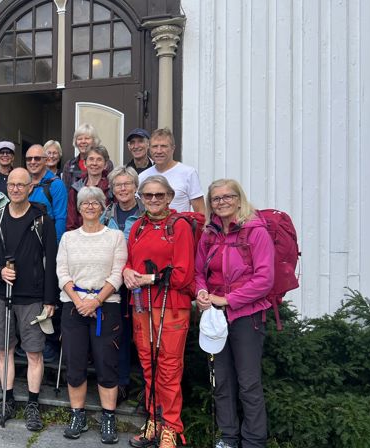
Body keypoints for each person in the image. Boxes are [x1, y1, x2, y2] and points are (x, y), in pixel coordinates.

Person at [195, 179, 275, 448]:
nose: (222, 202)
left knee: (248, 383)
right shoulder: (209, 233)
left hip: (247, 317)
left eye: (228, 196)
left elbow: (265, 279)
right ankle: (228, 438)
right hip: (215, 316)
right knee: (221, 380)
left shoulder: (256, 231)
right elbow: (198, 272)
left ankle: (253, 442)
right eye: (216, 199)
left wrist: (228, 300)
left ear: (239, 199)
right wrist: (202, 292)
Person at [0, 167, 59, 431]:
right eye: (11, 184)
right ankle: (7, 400)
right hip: (2, 295)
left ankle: (33, 404)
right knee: (5, 350)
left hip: (33, 298)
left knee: (34, 352)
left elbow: (51, 262)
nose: (15, 189)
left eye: (21, 185)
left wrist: (50, 300)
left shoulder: (42, 221)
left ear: (30, 188)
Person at [123, 175, 195, 448]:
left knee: (169, 367)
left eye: (159, 195)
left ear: (169, 197)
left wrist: (149, 279)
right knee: (148, 364)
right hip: (142, 304)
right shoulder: (138, 226)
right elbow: (129, 261)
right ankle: (154, 419)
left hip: (171, 305)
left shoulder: (179, 226)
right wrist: (127, 272)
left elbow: (184, 273)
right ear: (141, 198)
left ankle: (171, 428)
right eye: (148, 195)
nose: (153, 200)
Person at [56, 186, 127, 444]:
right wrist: (80, 302)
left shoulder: (115, 237)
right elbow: (62, 273)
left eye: (95, 202)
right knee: (74, 363)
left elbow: (118, 274)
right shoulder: (68, 238)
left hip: (106, 307)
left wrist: (96, 301)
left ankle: (108, 417)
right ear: (79, 208)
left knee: (106, 362)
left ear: (102, 207)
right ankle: (78, 415)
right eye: (85, 203)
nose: (90, 206)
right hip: (73, 306)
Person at [102, 166, 144, 404]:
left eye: (127, 184)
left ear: (136, 186)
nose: (123, 188)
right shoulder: (106, 214)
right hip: (114, 284)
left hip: (140, 282)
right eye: (118, 185)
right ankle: (121, 383)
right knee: (118, 334)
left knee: (142, 336)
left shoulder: (146, 212)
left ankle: (148, 388)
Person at [138, 128, 204, 213]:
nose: (159, 151)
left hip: (180, 221)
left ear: (173, 148)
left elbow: (200, 212)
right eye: (155, 146)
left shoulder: (188, 173)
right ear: (149, 149)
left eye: (163, 146)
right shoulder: (142, 177)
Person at [26, 144, 68, 241]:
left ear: (46, 160)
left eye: (37, 158)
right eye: (29, 159)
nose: (32, 162)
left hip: (46, 242)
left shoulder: (56, 185)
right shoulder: (23, 183)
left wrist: (55, 246)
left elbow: (61, 219)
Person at [66, 146, 111, 231]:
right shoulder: (76, 189)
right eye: (91, 159)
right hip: (81, 236)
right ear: (84, 163)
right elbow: (71, 222)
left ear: (105, 165)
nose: (94, 163)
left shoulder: (111, 188)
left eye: (99, 159)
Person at [62, 123, 114, 189]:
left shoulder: (107, 163)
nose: (83, 141)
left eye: (87, 138)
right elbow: (65, 190)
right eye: (79, 139)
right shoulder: (69, 165)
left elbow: (111, 188)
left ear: (94, 141)